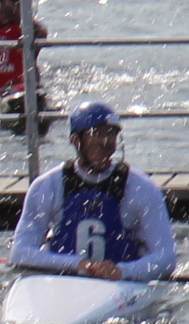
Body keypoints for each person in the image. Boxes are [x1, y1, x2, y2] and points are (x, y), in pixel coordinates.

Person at [9, 100, 175, 283]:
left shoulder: (142, 188)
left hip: (121, 284)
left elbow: (166, 258)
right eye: (96, 134)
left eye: (110, 134)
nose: (105, 142)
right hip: (63, 282)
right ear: (76, 141)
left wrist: (123, 271)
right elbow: (20, 253)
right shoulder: (47, 186)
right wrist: (79, 264)